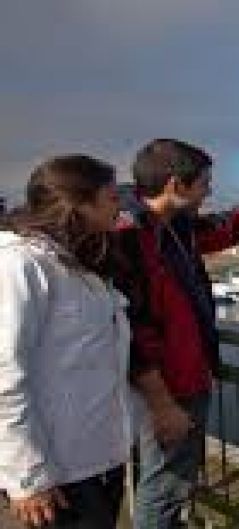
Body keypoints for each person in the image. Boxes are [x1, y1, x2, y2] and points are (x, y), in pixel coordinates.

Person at [114, 139, 239, 528]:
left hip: (184, 377)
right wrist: (162, 403)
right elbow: (133, 331)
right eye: (204, 183)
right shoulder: (128, 236)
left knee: (163, 480)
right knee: (164, 485)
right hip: (168, 388)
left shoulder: (172, 226)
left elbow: (229, 225)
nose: (210, 191)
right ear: (175, 185)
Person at [0, 155, 132, 527]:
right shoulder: (21, 265)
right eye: (110, 197)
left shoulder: (75, 263)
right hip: (56, 474)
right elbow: (4, 376)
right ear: (79, 205)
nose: (118, 205)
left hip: (95, 461)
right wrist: (26, 478)